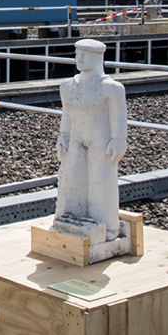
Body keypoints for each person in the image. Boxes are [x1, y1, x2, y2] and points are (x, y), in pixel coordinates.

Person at [55, 39, 128, 241]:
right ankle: (70, 216)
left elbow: (118, 115)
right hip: (76, 135)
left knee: (102, 179)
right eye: (77, 54)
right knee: (71, 177)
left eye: (84, 55)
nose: (79, 59)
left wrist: (119, 139)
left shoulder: (112, 88)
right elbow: (67, 113)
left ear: (98, 57)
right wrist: (63, 135)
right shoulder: (67, 86)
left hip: (101, 138)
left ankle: (109, 226)